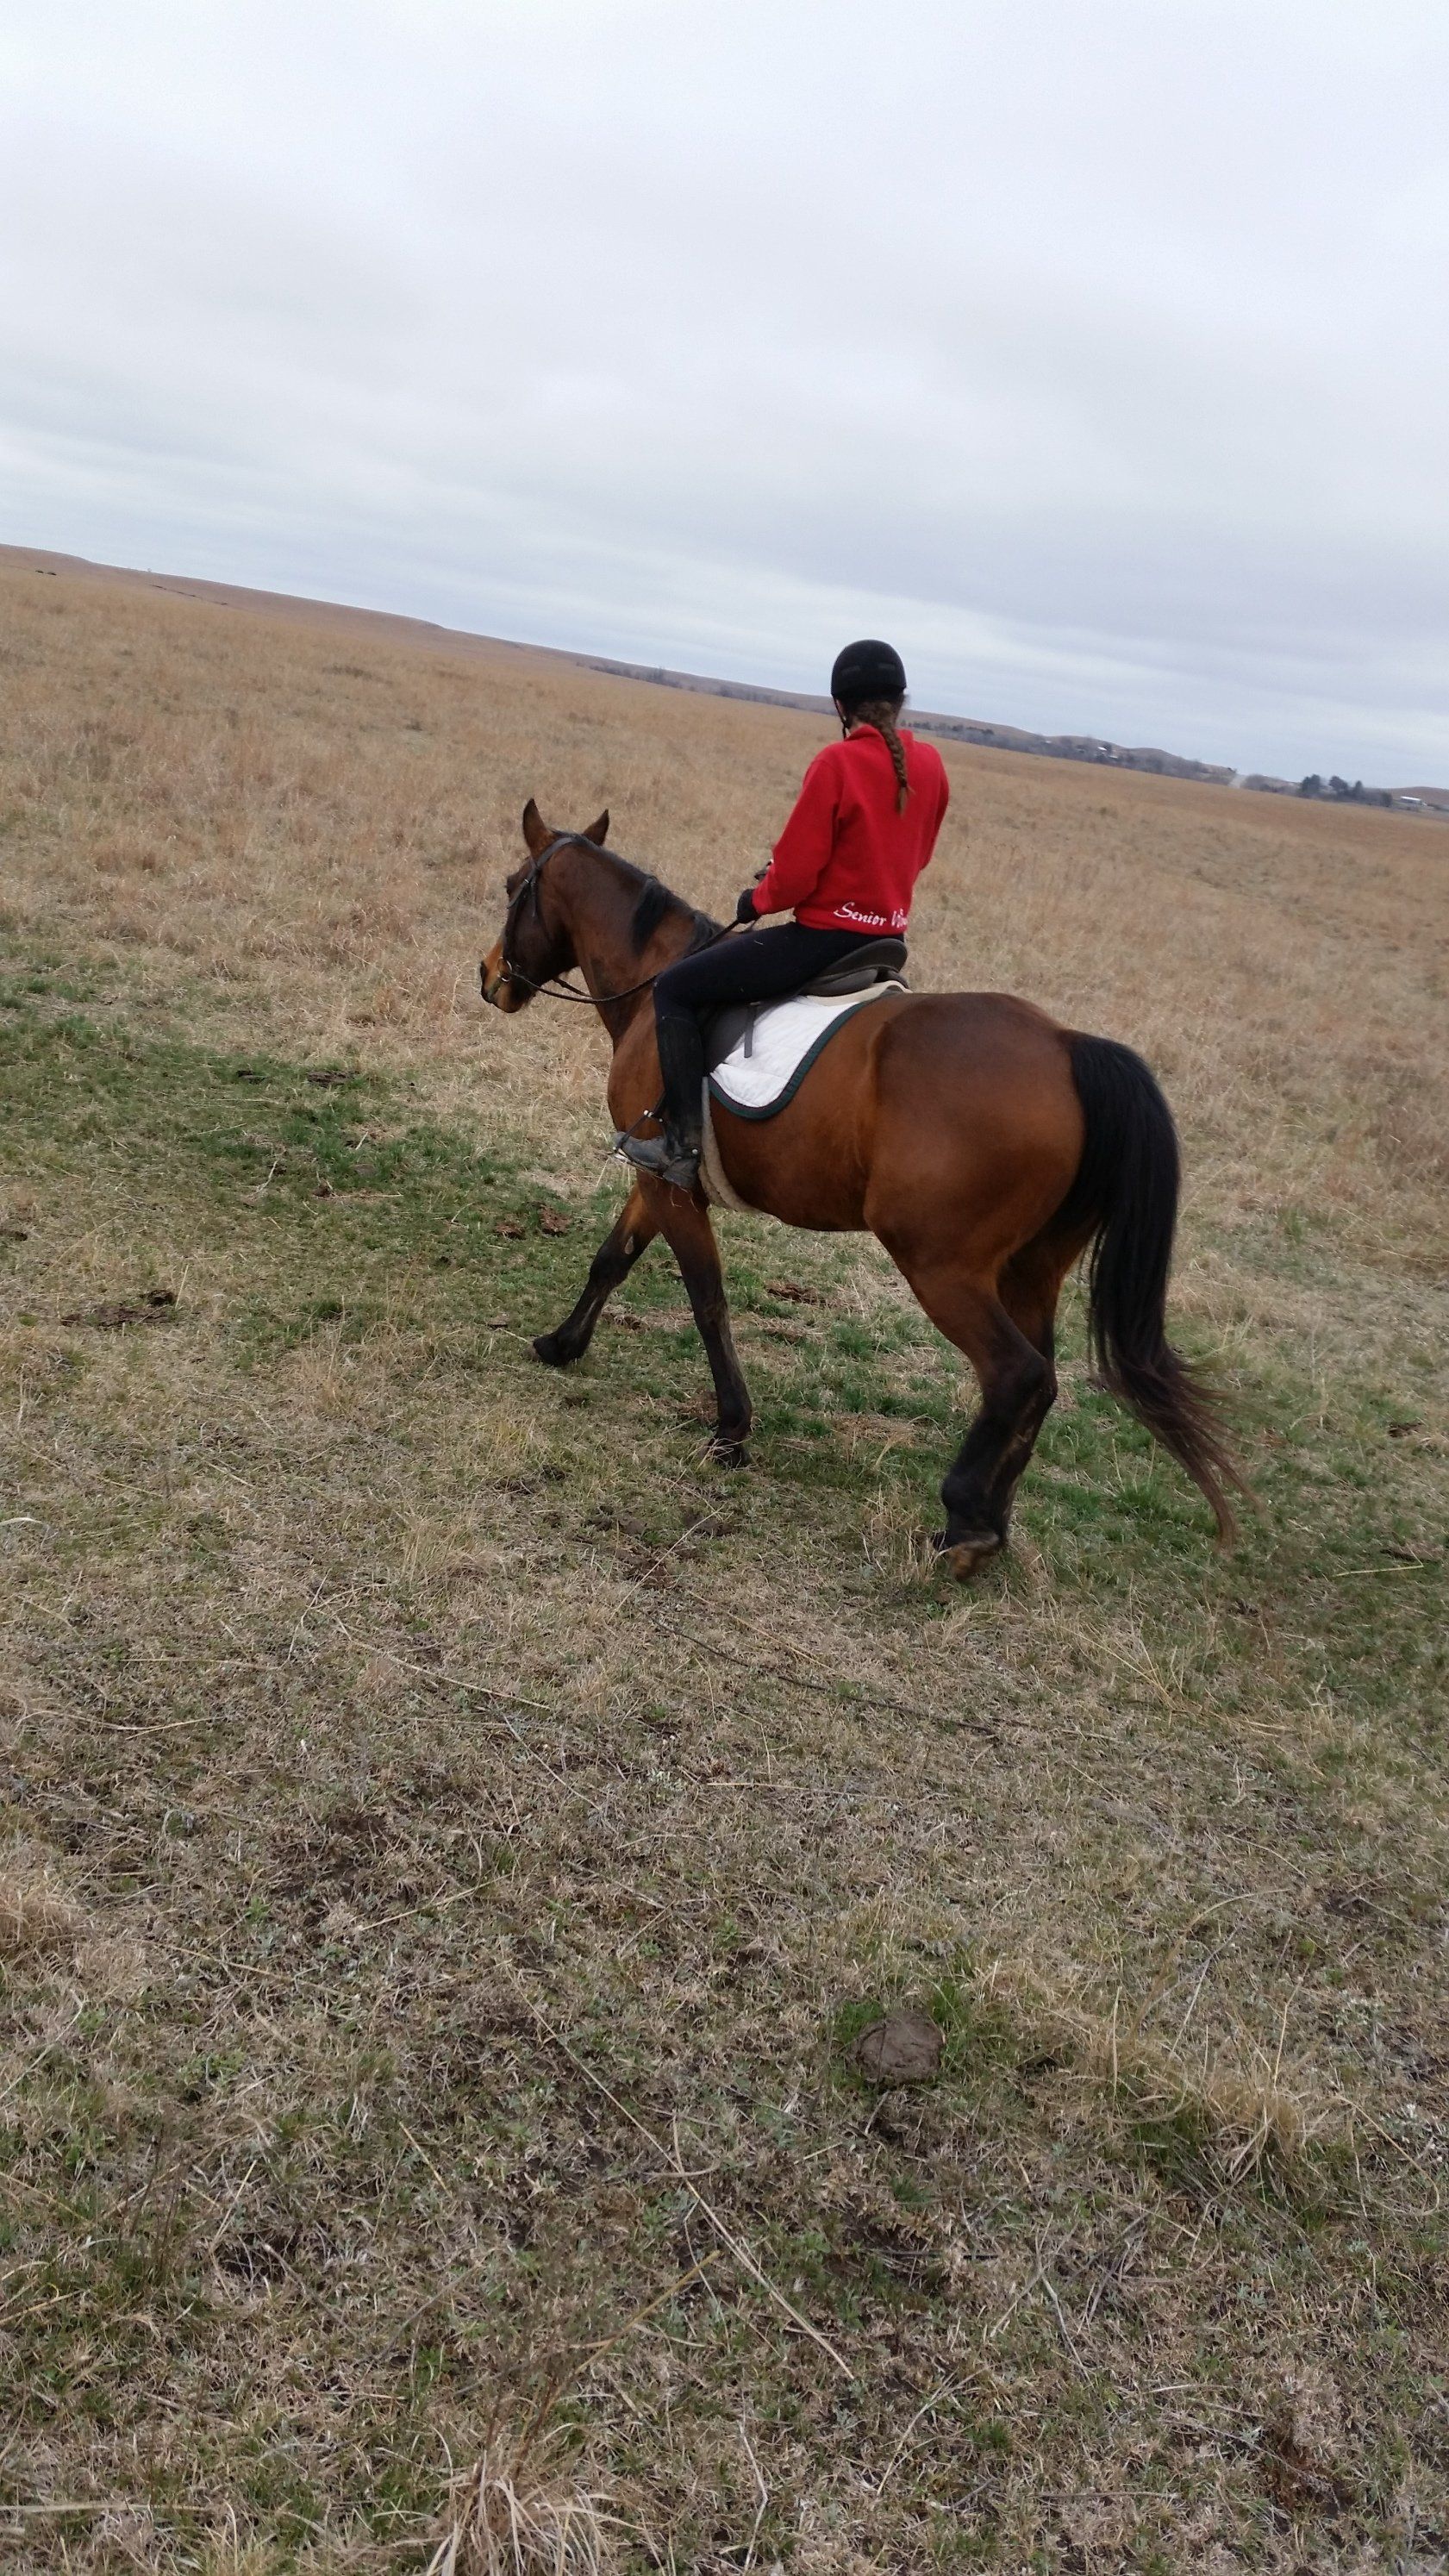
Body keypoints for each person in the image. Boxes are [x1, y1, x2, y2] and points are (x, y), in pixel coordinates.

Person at [620, 639, 951, 1189]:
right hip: (886, 943)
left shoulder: (836, 762)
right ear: (900, 701)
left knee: (675, 988)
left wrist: (757, 900)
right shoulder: (932, 765)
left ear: (839, 707)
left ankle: (680, 1147)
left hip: (821, 942)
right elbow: (918, 854)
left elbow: (796, 875)